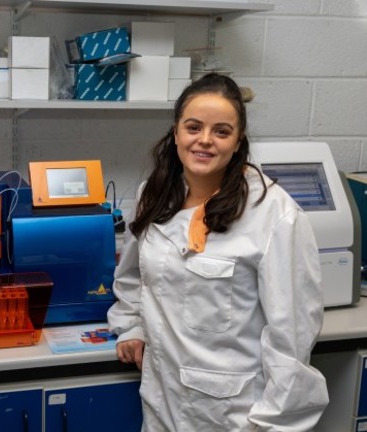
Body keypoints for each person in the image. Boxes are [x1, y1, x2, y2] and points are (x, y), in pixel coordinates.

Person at [107, 73, 329, 431]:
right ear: (176, 132)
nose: (205, 141)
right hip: (161, 402)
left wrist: (268, 424)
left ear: (238, 140)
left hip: (235, 415)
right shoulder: (155, 194)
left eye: (221, 132)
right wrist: (132, 326)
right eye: (193, 127)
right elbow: (135, 275)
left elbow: (292, 340)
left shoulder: (273, 214)